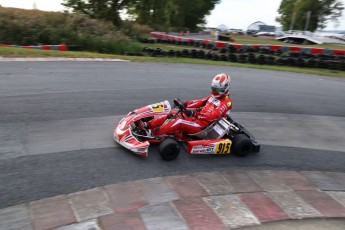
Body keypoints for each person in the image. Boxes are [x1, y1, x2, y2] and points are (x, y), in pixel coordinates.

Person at [144, 73, 232, 136]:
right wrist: (184, 104)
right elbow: (198, 102)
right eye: (213, 88)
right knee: (174, 112)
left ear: (225, 87)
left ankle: (152, 133)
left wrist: (194, 114)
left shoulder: (226, 102)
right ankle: (147, 125)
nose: (214, 91)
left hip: (204, 128)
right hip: (196, 119)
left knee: (179, 122)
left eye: (217, 89)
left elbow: (212, 116)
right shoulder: (212, 97)